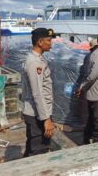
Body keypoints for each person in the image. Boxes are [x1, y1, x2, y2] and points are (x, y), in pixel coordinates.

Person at [22, 28, 56, 157]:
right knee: (38, 150)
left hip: (41, 112)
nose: (51, 43)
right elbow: (37, 93)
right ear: (40, 42)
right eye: (49, 40)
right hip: (37, 114)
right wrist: (46, 119)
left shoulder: (39, 59)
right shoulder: (34, 62)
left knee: (33, 147)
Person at [77, 34, 98, 144]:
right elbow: (92, 75)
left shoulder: (93, 54)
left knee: (92, 121)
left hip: (94, 94)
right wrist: (82, 87)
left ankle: (86, 143)